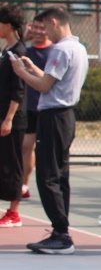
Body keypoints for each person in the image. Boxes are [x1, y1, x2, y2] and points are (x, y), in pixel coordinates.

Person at [10, 6, 88, 255]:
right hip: (65, 116)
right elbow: (51, 79)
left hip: (54, 116)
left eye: (44, 27)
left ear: (54, 23)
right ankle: (61, 231)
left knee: (48, 177)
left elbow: (44, 86)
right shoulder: (78, 48)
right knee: (60, 174)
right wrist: (31, 68)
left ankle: (61, 234)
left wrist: (21, 73)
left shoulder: (61, 49)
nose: (42, 32)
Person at [0, 5, 28, 227]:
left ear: (8, 26)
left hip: (13, 119)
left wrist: (9, 119)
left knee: (14, 163)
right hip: (3, 114)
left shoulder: (18, 52)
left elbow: (18, 90)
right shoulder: (6, 50)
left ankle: (14, 213)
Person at [20, 18, 51, 202]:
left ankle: (51, 187)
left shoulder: (56, 51)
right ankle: (24, 185)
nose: (39, 31)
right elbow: (8, 57)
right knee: (26, 147)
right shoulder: (27, 51)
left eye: (42, 28)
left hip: (48, 108)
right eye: (35, 28)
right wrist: (23, 38)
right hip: (30, 108)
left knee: (47, 150)